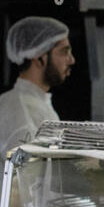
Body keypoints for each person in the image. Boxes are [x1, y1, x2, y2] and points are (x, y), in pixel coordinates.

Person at [0, 17, 74, 153]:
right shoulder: (21, 109)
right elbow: (29, 172)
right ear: (39, 57)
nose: (71, 60)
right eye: (64, 52)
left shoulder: (35, 102)